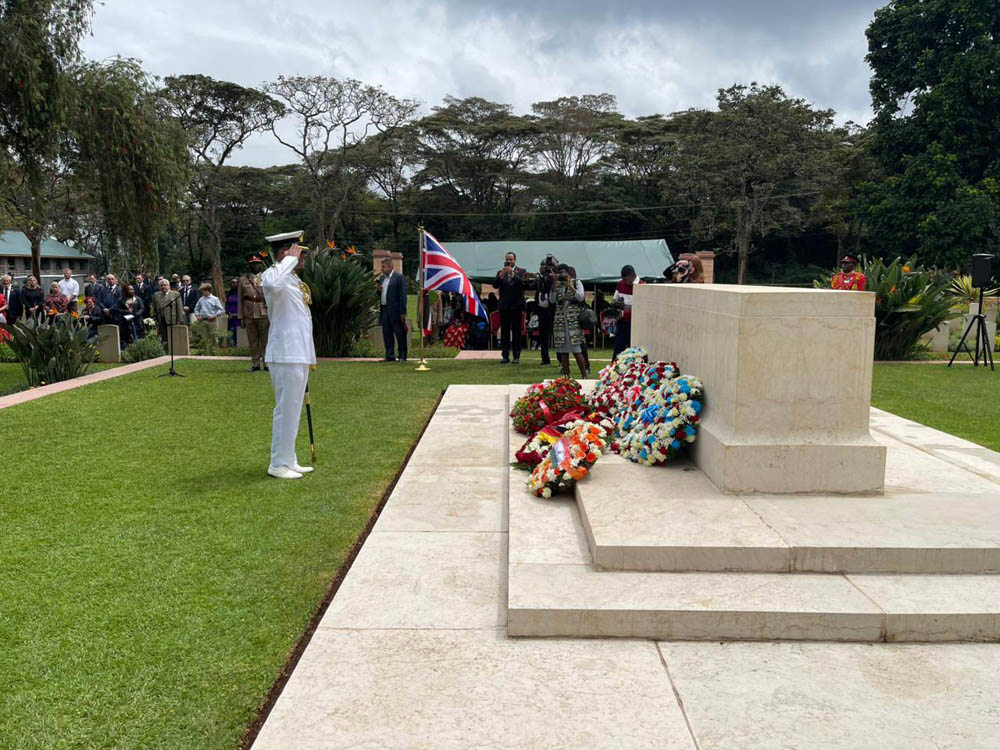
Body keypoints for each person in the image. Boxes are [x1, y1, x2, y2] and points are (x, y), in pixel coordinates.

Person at [261, 230, 316, 480]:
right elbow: (272, 285)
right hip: (284, 353)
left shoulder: (292, 279)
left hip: (298, 352)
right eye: (298, 253)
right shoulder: (273, 275)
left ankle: (289, 458)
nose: (302, 258)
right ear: (285, 252)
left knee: (293, 410)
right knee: (285, 408)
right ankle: (278, 464)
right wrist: (288, 261)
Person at [551, 263, 588, 378]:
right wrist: (553, 284)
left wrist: (570, 286)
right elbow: (552, 300)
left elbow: (581, 297)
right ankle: (566, 377)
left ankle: (584, 375)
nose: (562, 275)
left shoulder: (577, 282)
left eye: (564, 273)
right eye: (560, 273)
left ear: (569, 273)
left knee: (577, 350)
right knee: (563, 352)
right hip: (560, 321)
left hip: (573, 322)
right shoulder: (557, 285)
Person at [238, 255, 270, 371]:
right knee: (252, 340)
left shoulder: (267, 278)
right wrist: (241, 316)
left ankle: (266, 363)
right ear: (249, 265)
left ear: (261, 265)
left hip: (263, 312)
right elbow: (240, 299)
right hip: (249, 313)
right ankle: (255, 363)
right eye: (252, 264)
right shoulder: (243, 279)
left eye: (257, 263)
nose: (255, 266)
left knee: (265, 339)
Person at [494, 251, 526, 364]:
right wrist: (502, 274)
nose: (508, 261)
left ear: (515, 260)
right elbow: (495, 285)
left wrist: (513, 274)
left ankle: (516, 356)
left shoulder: (521, 271)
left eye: (511, 259)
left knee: (516, 332)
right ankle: (505, 356)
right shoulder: (500, 272)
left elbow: (523, 285)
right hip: (504, 307)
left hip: (516, 306)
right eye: (507, 259)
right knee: (504, 332)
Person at [378, 257, 407, 362]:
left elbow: (403, 296)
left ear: (390, 267)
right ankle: (390, 355)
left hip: (396, 311)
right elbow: (382, 294)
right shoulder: (382, 278)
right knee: (387, 333)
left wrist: (403, 312)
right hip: (385, 309)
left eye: (383, 267)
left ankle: (402, 356)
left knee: (399, 333)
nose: (381, 269)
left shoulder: (399, 277)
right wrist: (379, 291)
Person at [612, 264, 640, 358]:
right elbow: (615, 299)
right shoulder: (621, 284)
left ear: (633, 275)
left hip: (634, 324)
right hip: (622, 323)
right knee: (618, 350)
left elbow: (639, 308)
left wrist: (625, 313)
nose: (625, 282)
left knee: (634, 351)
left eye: (627, 279)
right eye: (623, 280)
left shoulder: (641, 285)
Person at [535, 255, 557, 365]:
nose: (543, 268)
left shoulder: (555, 277)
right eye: (542, 266)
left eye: (546, 266)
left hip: (552, 310)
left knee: (556, 335)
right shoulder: (540, 278)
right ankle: (545, 358)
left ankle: (560, 360)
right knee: (543, 336)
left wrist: (553, 277)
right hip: (541, 310)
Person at [152, 277, 184, 344]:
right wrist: (155, 319)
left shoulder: (176, 294)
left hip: (172, 320)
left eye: (165, 285)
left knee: (173, 339)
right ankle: (166, 352)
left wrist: (180, 320)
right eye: (161, 285)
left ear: (168, 286)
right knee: (164, 339)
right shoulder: (156, 295)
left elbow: (179, 308)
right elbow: (154, 308)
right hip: (161, 321)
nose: (163, 286)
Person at [225, 277, 240, 347]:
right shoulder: (229, 293)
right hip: (231, 316)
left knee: (237, 332)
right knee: (230, 332)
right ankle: (231, 346)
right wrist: (228, 312)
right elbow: (227, 304)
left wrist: (237, 314)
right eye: (232, 282)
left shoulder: (240, 294)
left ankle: (238, 346)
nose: (233, 284)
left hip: (239, 316)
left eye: (235, 282)